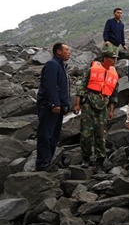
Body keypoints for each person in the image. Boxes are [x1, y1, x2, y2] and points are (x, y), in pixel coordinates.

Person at [74, 50, 119, 168]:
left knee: (101, 133)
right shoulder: (91, 70)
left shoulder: (114, 75)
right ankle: (86, 158)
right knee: (86, 133)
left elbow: (114, 94)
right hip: (89, 103)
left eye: (115, 58)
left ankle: (100, 159)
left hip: (103, 105)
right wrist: (77, 104)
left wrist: (111, 110)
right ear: (105, 59)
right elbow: (81, 86)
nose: (114, 61)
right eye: (112, 58)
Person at [36, 43, 71, 172]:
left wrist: (65, 105)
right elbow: (50, 85)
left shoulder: (61, 66)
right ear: (58, 52)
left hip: (58, 106)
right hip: (49, 106)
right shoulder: (52, 65)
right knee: (46, 134)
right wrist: (54, 103)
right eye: (66, 50)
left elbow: (62, 88)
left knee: (54, 135)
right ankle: (42, 163)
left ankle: (48, 161)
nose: (69, 52)